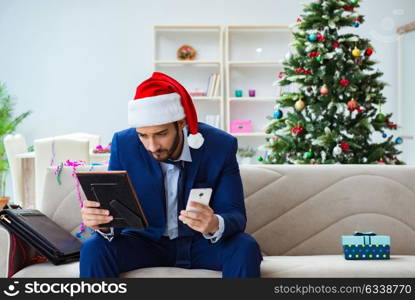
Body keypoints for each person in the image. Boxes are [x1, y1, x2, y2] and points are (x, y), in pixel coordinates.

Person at [79, 72, 263, 278]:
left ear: (181, 123)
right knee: (94, 247)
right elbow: (117, 214)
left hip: (200, 244)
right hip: (145, 244)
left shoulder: (220, 145)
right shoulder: (124, 144)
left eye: (161, 134)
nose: (152, 146)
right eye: (143, 135)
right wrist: (102, 223)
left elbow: (235, 213)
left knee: (245, 247)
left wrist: (214, 224)